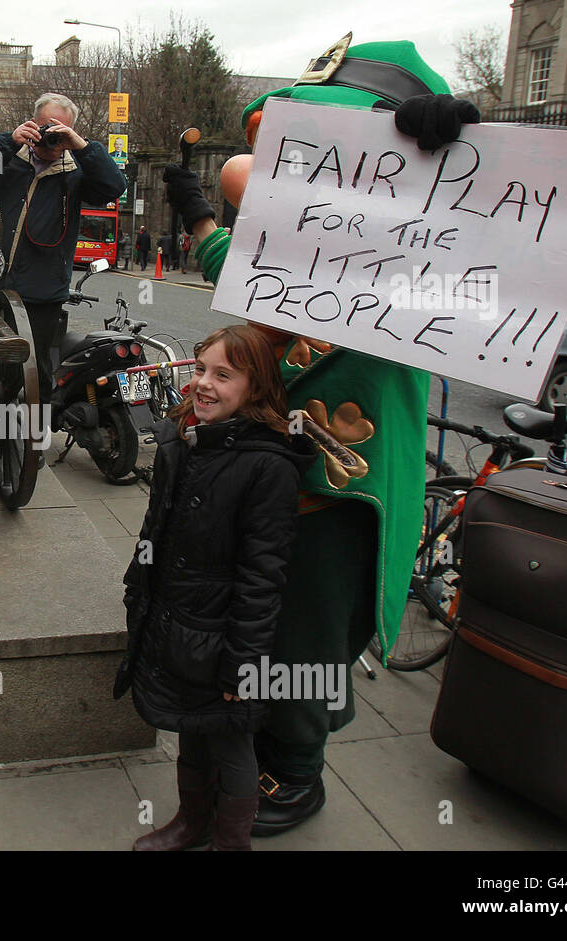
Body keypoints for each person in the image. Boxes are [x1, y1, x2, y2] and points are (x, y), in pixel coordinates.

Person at [162, 35, 480, 835]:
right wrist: (200, 217)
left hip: (347, 479)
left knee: (313, 623)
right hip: (270, 470)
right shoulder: (299, 231)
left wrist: (443, 179)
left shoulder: (418, 240)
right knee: (262, 615)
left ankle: (297, 772)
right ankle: (260, 746)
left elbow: (492, 277)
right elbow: (246, 254)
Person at [117, 326, 315, 850]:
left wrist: (242, 663)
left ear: (255, 388)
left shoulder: (268, 466)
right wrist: (140, 587)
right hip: (178, 621)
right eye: (200, 368)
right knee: (189, 728)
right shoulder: (183, 441)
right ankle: (191, 822)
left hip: (225, 635)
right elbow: (154, 529)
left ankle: (232, 842)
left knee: (231, 744)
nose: (203, 383)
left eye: (223, 375)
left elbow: (262, 576)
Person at [0, 91, 127, 455]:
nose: (53, 136)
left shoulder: (77, 174)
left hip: (43, 292)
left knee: (36, 371)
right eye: (48, 126)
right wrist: (7, 140)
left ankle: (34, 441)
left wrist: (80, 145)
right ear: (33, 123)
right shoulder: (5, 160)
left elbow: (114, 186)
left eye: (61, 129)